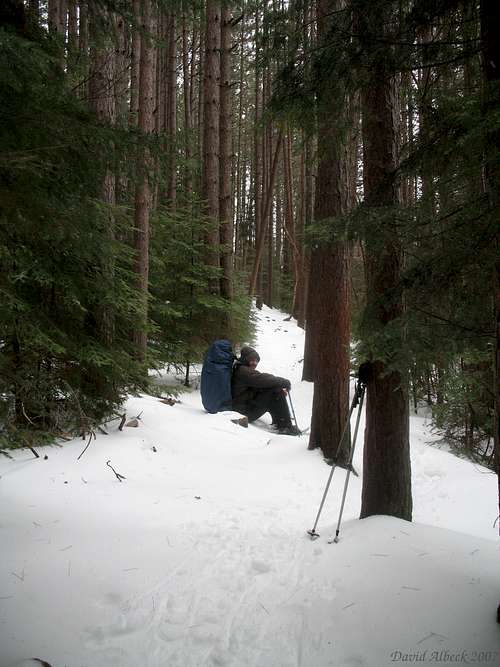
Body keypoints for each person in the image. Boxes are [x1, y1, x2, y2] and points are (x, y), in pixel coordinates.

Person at [231, 346, 299, 435]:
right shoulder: (243, 371)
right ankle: (285, 426)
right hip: (243, 413)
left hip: (242, 408)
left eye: (256, 361)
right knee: (275, 391)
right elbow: (263, 379)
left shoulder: (240, 369)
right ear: (245, 358)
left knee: (272, 390)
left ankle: (280, 423)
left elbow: (258, 384)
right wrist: (284, 382)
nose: (254, 363)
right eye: (252, 360)